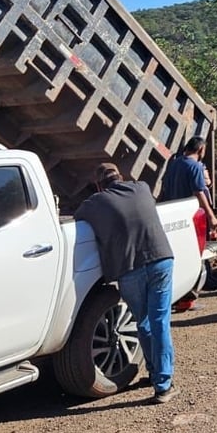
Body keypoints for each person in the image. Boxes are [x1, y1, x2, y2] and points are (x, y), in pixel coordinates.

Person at [74, 163, 179, 404]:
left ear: (99, 185)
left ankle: (157, 376)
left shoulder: (95, 203)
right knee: (159, 322)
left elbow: (78, 216)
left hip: (129, 269)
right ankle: (162, 382)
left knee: (144, 322)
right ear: (121, 177)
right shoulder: (141, 188)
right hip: (160, 260)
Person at [159, 135, 217, 310]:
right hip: (191, 219)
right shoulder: (195, 166)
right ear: (201, 149)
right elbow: (199, 192)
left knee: (178, 257)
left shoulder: (174, 164)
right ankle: (187, 298)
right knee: (195, 255)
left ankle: (177, 296)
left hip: (174, 217)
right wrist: (211, 216)